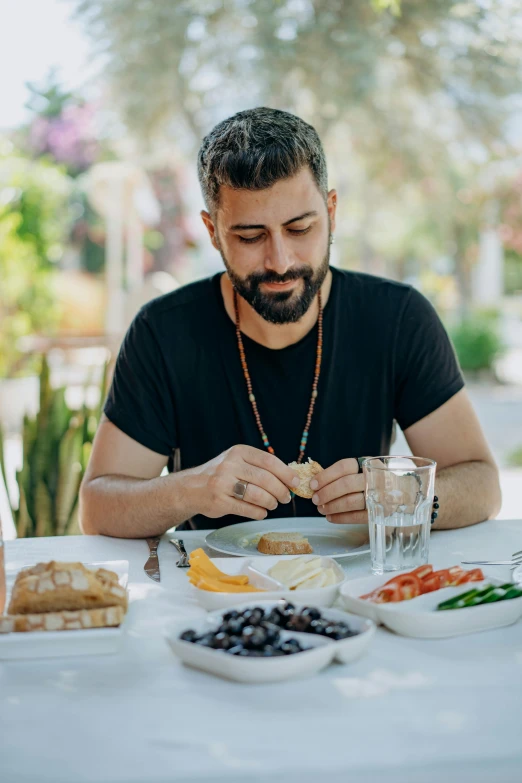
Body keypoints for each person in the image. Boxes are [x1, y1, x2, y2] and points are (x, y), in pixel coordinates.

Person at [80, 107, 501, 537]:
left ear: (331, 212)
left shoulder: (398, 318)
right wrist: (189, 489)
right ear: (212, 232)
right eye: (250, 237)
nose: (280, 262)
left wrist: (401, 495)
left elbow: (482, 485)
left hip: (360, 593)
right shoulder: (162, 331)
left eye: (300, 229)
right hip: (212, 595)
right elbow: (98, 509)